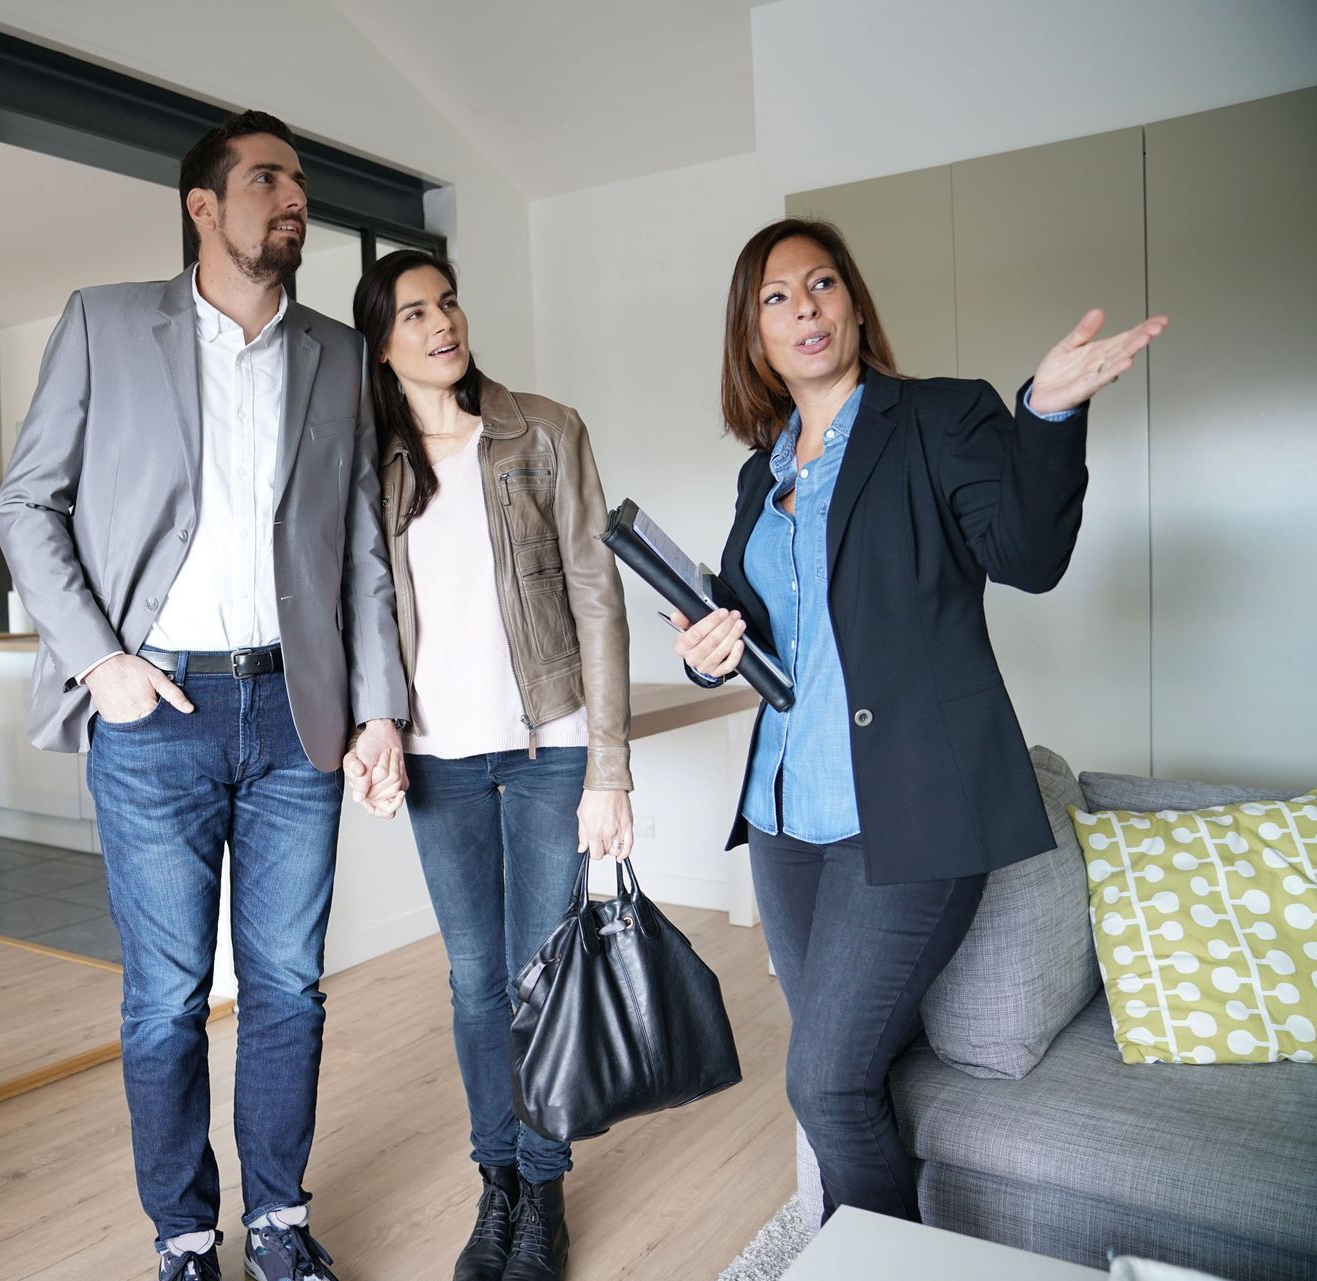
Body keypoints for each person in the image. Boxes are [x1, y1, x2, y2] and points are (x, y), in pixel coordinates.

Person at [670, 217, 1166, 1222]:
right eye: (776, 298)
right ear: (752, 335)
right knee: (848, 1069)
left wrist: (1049, 415)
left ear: (855, 302)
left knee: (822, 1084)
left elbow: (1028, 556)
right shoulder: (763, 471)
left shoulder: (939, 417)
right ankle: (856, 1238)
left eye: (822, 284)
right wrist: (707, 644)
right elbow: (764, 629)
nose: (805, 309)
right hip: (783, 817)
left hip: (907, 807)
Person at [0, 109, 409, 1281]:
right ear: (203, 206)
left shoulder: (338, 354)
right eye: (268, 179)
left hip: (295, 716)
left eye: (299, 182)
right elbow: (26, 504)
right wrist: (101, 663)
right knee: (167, 1000)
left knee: (288, 989)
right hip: (156, 714)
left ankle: (278, 1221)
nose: (295, 199)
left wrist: (378, 707)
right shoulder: (105, 323)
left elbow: (360, 548)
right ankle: (183, 1237)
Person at [350, 249, 633, 1281]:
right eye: (414, 314)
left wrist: (610, 766)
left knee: (539, 975)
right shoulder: (372, 461)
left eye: (449, 304)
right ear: (382, 346)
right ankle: (498, 1185)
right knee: (475, 982)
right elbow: (357, 608)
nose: (442, 324)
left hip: (548, 747)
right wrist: (369, 729)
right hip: (439, 759)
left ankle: (544, 1193)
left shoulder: (543, 431)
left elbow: (597, 593)